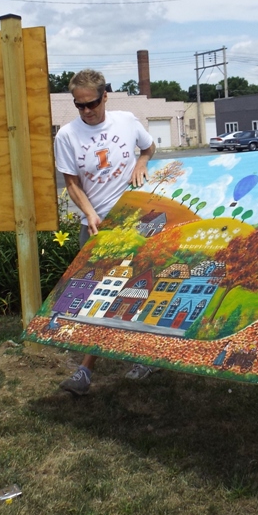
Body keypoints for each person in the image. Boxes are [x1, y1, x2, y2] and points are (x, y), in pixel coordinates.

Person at [54, 69, 158, 396]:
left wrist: (142, 162)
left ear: (105, 97)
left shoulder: (126, 121)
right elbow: (72, 183)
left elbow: (149, 148)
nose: (86, 111)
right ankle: (89, 370)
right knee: (97, 296)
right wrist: (89, 213)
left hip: (135, 220)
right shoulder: (67, 136)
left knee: (138, 290)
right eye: (79, 105)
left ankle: (136, 358)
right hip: (97, 227)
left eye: (92, 103)